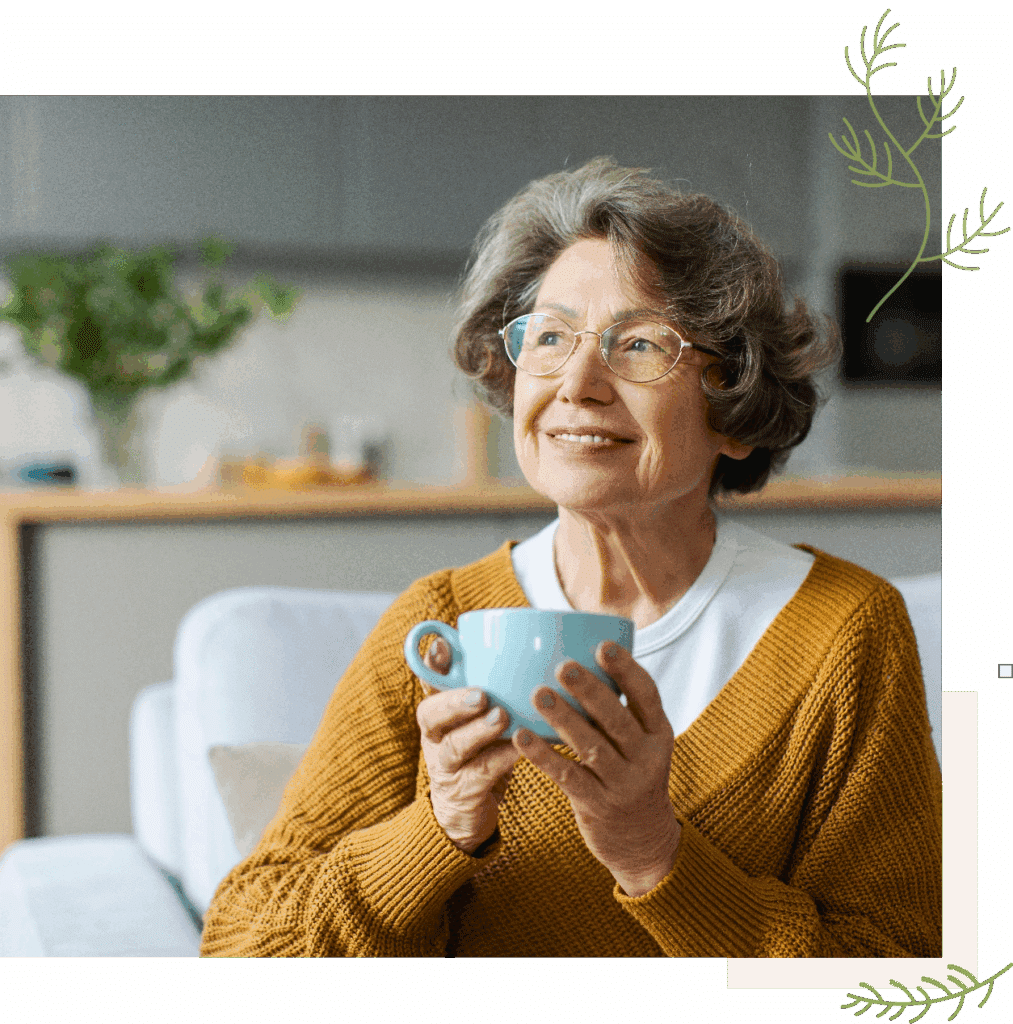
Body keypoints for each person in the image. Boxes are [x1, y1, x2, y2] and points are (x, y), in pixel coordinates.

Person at [200, 158, 941, 958]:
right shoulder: (439, 628)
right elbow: (243, 953)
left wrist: (656, 856)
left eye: (640, 345)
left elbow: (895, 974)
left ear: (734, 408)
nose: (578, 383)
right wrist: (437, 829)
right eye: (549, 337)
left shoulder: (843, 632)